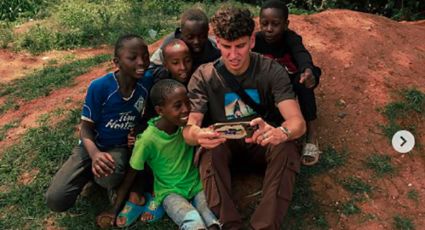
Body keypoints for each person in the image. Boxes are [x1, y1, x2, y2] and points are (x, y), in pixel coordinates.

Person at [182, 6, 306, 230]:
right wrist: (199, 135)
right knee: (208, 151)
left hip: (261, 142)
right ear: (217, 42)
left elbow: (297, 122)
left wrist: (281, 132)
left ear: (251, 41)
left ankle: (265, 226)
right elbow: (190, 129)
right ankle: (230, 225)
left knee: (287, 148)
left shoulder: (271, 70)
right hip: (225, 145)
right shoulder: (203, 75)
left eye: (240, 46)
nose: (233, 55)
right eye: (226, 47)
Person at [45, 34, 153, 215]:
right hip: (91, 146)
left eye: (145, 56)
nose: (141, 62)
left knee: (108, 177)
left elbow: (147, 114)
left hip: (117, 148)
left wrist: (139, 129)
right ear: (116, 62)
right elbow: (85, 128)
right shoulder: (100, 87)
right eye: (132, 58)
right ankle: (88, 172)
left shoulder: (146, 82)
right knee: (56, 200)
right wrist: (94, 154)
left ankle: (98, 181)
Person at [105, 79, 221, 229]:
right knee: (193, 221)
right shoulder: (147, 139)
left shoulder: (186, 128)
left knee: (211, 218)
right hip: (170, 193)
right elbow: (131, 173)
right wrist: (114, 209)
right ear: (160, 111)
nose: (186, 109)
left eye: (188, 103)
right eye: (178, 106)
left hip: (197, 186)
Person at [252, 0, 322, 166]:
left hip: (290, 78)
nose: (269, 29)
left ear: (285, 24)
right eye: (265, 24)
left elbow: (301, 54)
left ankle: (311, 133)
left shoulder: (291, 38)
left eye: (275, 24)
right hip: (268, 83)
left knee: (303, 83)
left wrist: (307, 70)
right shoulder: (255, 40)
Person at [150, 8, 221, 72]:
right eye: (190, 37)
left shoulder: (213, 50)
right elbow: (152, 66)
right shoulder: (169, 44)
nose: (196, 42)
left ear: (207, 32)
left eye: (202, 36)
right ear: (181, 33)